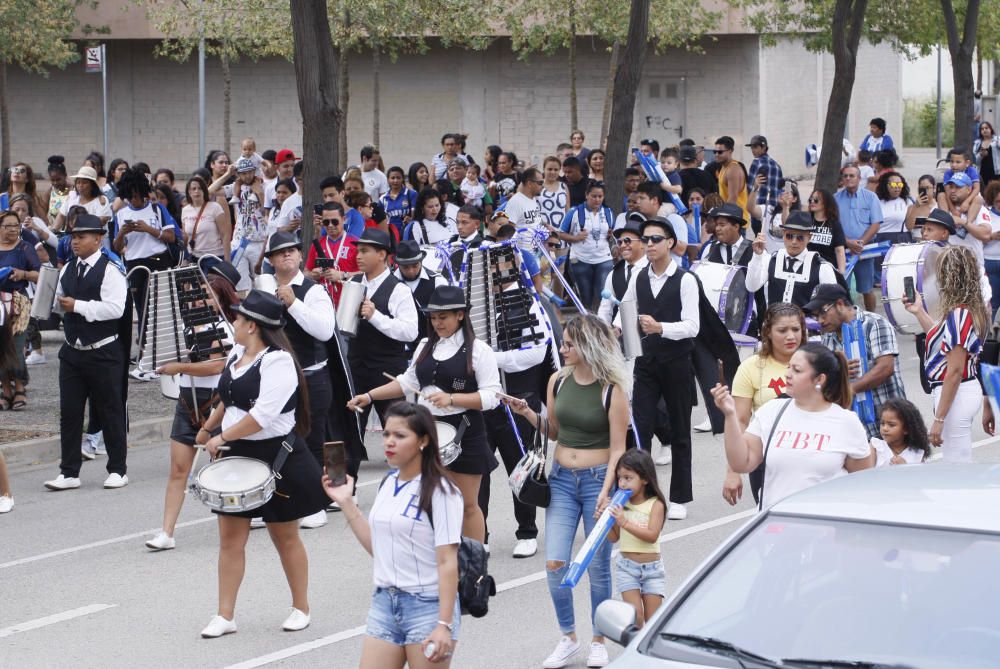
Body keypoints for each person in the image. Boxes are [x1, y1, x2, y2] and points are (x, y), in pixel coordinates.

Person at [195, 290, 326, 638]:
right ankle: (225, 615)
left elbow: (263, 415)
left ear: (252, 326)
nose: (233, 322)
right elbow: (229, 397)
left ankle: (301, 607)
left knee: (284, 536)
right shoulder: (237, 354)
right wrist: (209, 427)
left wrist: (220, 438)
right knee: (230, 539)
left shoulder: (278, 361)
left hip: (275, 454)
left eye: (238, 318)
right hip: (238, 453)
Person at [504, 314, 629, 669]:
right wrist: (527, 412)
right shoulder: (557, 380)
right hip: (560, 481)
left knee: (598, 565)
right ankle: (568, 638)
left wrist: (607, 492)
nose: (562, 348)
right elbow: (555, 431)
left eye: (569, 343)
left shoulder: (612, 389)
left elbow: (618, 448)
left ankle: (599, 640)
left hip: (597, 480)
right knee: (555, 561)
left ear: (588, 346)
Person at [349, 285, 501, 543]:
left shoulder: (479, 351)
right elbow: (406, 381)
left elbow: (492, 397)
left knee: (467, 505)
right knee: (431, 504)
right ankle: (439, 557)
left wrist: (452, 398)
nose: (437, 323)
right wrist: (370, 395)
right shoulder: (424, 346)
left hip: (465, 429)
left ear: (460, 315)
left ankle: (476, 562)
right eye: (433, 317)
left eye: (443, 317)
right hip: (429, 430)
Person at [324, 402, 461, 667]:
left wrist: (443, 624)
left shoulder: (441, 491)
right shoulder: (389, 483)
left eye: (399, 436)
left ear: (423, 441)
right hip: (384, 603)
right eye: (386, 434)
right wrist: (346, 502)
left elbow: (447, 561)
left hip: (427, 607)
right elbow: (379, 548)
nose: (389, 442)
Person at [711, 342, 874, 510]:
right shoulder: (771, 411)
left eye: (797, 370)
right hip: (775, 524)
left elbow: (861, 483)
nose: (788, 374)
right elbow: (741, 463)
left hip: (825, 529)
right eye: (789, 368)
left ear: (820, 379)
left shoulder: (847, 422)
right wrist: (730, 415)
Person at [145, 265, 239, 550]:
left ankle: (240, 520)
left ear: (220, 298)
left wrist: (179, 366)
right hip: (187, 401)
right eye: (194, 296)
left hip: (218, 402)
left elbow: (218, 364)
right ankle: (167, 532)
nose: (199, 301)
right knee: (178, 469)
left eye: (206, 296)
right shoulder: (181, 327)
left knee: (224, 469)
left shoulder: (226, 327)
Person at [616, 217, 699, 520]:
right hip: (646, 363)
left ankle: (679, 497)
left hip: (677, 363)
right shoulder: (639, 276)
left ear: (671, 243)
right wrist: (616, 329)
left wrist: (661, 327)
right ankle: (642, 493)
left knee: (679, 431)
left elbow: (693, 326)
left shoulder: (686, 280)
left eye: (655, 239)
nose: (648, 244)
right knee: (641, 428)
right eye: (646, 239)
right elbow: (626, 308)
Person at [44, 215, 130, 491]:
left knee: (109, 410)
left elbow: (116, 309)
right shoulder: (69, 267)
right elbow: (60, 303)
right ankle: (69, 471)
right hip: (72, 351)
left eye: (81, 236)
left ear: (98, 238)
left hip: (103, 350)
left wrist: (78, 306)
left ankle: (118, 468)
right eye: (72, 236)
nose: (74, 241)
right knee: (69, 412)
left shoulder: (110, 269)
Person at [345, 228, 419, 497]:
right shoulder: (354, 282)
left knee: (398, 427)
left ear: (383, 255)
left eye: (365, 250)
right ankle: (342, 488)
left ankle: (410, 484)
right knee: (348, 428)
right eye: (358, 249)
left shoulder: (398, 289)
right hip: (355, 365)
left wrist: (375, 316)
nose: (359, 255)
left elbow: (410, 331)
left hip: (389, 368)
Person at [903, 245, 989, 463]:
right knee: (958, 460)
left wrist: (939, 419)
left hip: (957, 392)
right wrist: (919, 311)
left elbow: (955, 371)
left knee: (956, 463)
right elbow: (943, 338)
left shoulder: (959, 314)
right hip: (961, 391)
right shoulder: (968, 309)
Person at [723, 302, 807, 506]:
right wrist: (733, 471)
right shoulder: (751, 367)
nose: (791, 336)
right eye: (782, 330)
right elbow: (741, 422)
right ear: (767, 332)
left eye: (796, 329)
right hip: (766, 459)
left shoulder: (816, 361)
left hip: (810, 455)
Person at [806, 283, 906, 439]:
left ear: (839, 304)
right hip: (856, 429)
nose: (820, 320)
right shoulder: (827, 337)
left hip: (890, 424)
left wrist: (849, 389)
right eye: (815, 316)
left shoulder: (874, 323)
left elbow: (886, 368)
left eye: (822, 313)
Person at [606, 449, 667, 630]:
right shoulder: (620, 504)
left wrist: (624, 521)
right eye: (620, 478)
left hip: (653, 570)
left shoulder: (656, 504)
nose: (622, 483)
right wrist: (604, 520)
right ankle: (635, 652)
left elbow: (651, 535)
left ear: (645, 479)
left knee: (653, 621)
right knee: (635, 618)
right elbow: (614, 538)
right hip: (627, 567)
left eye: (628, 478)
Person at [746, 211, 838, 309]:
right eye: (789, 236)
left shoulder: (822, 267)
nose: (794, 242)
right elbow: (751, 287)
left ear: (809, 237)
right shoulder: (770, 259)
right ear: (783, 234)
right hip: (773, 323)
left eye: (800, 237)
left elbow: (832, 305)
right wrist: (757, 256)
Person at [0, 209, 40, 410]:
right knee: (0, 348)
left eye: (16, 225)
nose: (13, 230)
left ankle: (20, 387)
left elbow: (40, 274)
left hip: (19, 304)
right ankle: (6, 390)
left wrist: (22, 274)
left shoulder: (25, 247)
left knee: (15, 348)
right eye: (8, 226)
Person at [556, 182, 614, 311]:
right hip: (580, 259)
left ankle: (600, 322)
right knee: (585, 296)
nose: (597, 199)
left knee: (602, 293)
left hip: (604, 258)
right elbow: (560, 233)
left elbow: (609, 234)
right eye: (594, 196)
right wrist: (576, 238)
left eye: (600, 196)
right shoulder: (574, 212)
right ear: (586, 195)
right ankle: (588, 322)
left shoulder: (608, 212)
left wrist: (610, 235)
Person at [834, 164, 883, 311]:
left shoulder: (870, 197)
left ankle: (871, 317)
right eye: (845, 176)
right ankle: (847, 322)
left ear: (859, 178)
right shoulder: (835, 199)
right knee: (843, 288)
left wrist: (860, 243)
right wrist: (848, 242)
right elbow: (832, 224)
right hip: (843, 251)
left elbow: (876, 223)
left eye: (852, 176)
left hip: (865, 250)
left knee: (867, 288)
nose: (848, 178)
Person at [392, 240, 447, 349]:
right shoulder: (389, 283)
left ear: (421, 261)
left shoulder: (438, 281)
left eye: (415, 265)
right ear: (398, 265)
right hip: (397, 349)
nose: (411, 271)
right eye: (406, 267)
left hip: (431, 346)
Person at [305, 202, 359, 307]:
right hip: (323, 303)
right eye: (326, 222)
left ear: (344, 219)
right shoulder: (317, 244)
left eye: (334, 221)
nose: (330, 225)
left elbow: (366, 274)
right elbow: (306, 272)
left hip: (348, 303)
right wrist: (313, 275)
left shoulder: (355, 243)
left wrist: (343, 275)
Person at [598, 221, 648, 324]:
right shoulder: (614, 273)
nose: (623, 245)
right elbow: (605, 308)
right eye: (620, 242)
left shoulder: (653, 269)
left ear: (643, 243)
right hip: (623, 334)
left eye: (627, 241)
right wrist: (604, 333)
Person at [938, 172, 991, 269]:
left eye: (958, 187)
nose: (953, 190)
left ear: (968, 189)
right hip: (949, 267)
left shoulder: (979, 208)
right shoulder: (943, 207)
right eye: (951, 187)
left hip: (974, 267)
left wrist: (963, 222)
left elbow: (986, 235)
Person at [181, 176, 231, 264]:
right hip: (193, 258)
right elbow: (185, 237)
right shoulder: (185, 210)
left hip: (214, 257)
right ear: (189, 192)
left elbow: (225, 235)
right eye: (193, 188)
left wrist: (227, 261)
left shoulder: (215, 207)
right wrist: (184, 259)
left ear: (204, 191)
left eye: (200, 188)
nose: (197, 191)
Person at [872, 398, 931, 466]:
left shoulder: (917, 454)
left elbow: (920, 475)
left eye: (891, 425)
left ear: (906, 429)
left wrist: (905, 468)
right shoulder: (876, 446)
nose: (885, 428)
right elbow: (867, 473)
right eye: (882, 423)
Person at [52, 166, 112, 233]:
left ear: (92, 185)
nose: (80, 185)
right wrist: (54, 230)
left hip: (96, 239)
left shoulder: (101, 200)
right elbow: (61, 215)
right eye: (78, 182)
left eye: (84, 182)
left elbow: (102, 220)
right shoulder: (72, 197)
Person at [804, 188, 847, 274]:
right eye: (810, 199)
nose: (812, 201)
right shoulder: (805, 220)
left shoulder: (834, 223)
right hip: (806, 268)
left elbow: (839, 250)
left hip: (827, 269)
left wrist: (841, 274)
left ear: (826, 203)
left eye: (816, 200)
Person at [504, 167, 544, 251]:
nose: (542, 186)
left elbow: (533, 222)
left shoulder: (533, 199)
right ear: (529, 183)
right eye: (540, 182)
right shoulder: (515, 202)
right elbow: (508, 231)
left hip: (536, 250)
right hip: (523, 253)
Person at [713, 136, 749, 226]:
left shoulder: (733, 169)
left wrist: (722, 219)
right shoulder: (724, 167)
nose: (717, 154)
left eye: (720, 152)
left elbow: (732, 198)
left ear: (730, 151)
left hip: (735, 221)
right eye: (715, 152)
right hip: (730, 219)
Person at [874, 171, 914, 246]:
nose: (897, 187)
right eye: (893, 184)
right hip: (881, 240)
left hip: (901, 240)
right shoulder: (876, 202)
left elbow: (910, 226)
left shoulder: (907, 202)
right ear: (885, 185)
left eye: (900, 184)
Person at [381, 166, 418, 238]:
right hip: (391, 236)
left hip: (409, 234)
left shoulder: (412, 194)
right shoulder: (383, 199)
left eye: (398, 178)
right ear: (388, 180)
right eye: (392, 178)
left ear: (402, 179)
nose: (395, 180)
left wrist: (411, 220)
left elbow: (417, 214)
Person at [45, 155, 71, 227]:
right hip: (53, 233)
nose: (55, 183)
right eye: (52, 180)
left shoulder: (73, 191)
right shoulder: (49, 192)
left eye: (58, 179)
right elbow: (43, 214)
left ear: (65, 175)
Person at [975, 122, 1000, 187]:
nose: (984, 130)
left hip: (996, 171)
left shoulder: (997, 139)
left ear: (991, 129)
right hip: (983, 172)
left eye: (986, 128)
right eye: (982, 129)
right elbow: (976, 161)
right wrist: (981, 155)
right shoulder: (977, 143)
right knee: (985, 191)